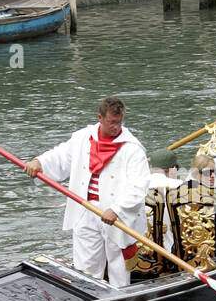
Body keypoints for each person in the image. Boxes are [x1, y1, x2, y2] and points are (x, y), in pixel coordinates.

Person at [24, 96, 150, 288]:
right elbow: (60, 155)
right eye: (111, 122)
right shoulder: (83, 138)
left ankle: (120, 297)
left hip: (116, 215)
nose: (116, 127)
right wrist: (39, 162)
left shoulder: (133, 149)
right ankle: (88, 293)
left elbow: (138, 185)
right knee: (86, 264)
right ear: (100, 118)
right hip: (85, 208)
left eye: (119, 122)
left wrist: (117, 209)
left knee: (117, 264)